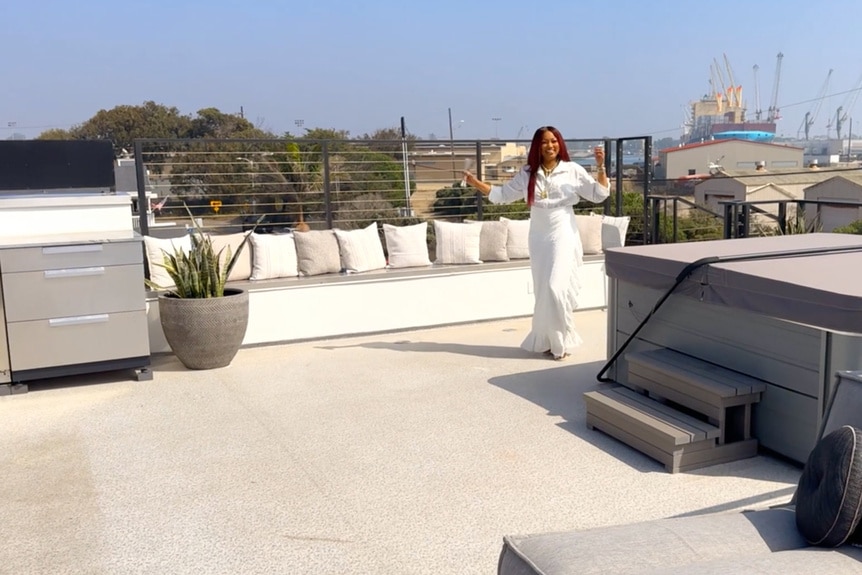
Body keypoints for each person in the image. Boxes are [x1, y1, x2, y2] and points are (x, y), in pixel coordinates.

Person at [462, 126, 610, 360]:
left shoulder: (572, 170)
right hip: (538, 235)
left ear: (559, 144)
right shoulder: (528, 173)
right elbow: (502, 196)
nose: (550, 146)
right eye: (544, 142)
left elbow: (599, 194)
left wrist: (600, 166)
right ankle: (548, 340)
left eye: (554, 141)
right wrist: (475, 182)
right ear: (537, 146)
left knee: (555, 286)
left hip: (562, 230)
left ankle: (560, 340)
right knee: (543, 291)